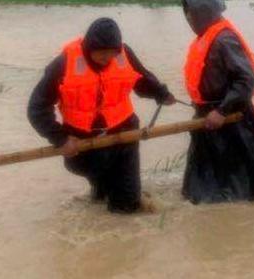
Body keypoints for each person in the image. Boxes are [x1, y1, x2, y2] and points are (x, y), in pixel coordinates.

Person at [27, 17, 175, 214]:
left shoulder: (123, 54)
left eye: (112, 53)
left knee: (126, 205)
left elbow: (142, 78)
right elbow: (37, 108)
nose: (108, 58)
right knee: (100, 195)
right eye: (102, 53)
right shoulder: (63, 64)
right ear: (89, 48)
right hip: (84, 144)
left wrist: (161, 93)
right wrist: (60, 138)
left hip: (124, 135)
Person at [181, 0, 254, 204]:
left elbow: (247, 78)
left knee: (235, 182)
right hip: (208, 114)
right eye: (187, 15)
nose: (188, 19)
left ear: (204, 13)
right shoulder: (205, 38)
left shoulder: (224, 40)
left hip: (230, 119)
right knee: (206, 179)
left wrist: (221, 111)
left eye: (191, 14)